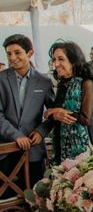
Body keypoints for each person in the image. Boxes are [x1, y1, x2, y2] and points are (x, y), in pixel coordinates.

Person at [0, 34, 55, 188]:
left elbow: (52, 114)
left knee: (35, 195)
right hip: (5, 149)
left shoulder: (44, 81)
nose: (12, 58)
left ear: (30, 53)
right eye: (9, 53)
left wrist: (41, 132)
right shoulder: (1, 79)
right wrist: (16, 136)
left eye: (17, 52)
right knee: (5, 197)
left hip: (33, 149)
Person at [44, 41, 93, 164]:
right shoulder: (62, 83)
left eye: (61, 59)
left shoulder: (86, 83)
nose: (56, 64)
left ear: (73, 61)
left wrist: (56, 112)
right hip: (60, 142)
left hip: (81, 146)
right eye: (54, 59)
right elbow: (51, 114)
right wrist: (55, 113)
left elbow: (85, 119)